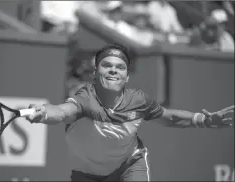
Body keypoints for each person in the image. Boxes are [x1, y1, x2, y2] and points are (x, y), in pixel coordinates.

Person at [27, 44, 234, 181]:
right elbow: (62, 112)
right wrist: (44, 113)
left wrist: (203, 120)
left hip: (128, 165)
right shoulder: (84, 98)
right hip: (86, 174)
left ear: (126, 77)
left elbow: (168, 117)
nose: (113, 70)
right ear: (95, 73)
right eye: (106, 65)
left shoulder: (138, 100)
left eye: (120, 67)